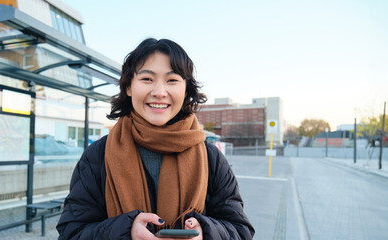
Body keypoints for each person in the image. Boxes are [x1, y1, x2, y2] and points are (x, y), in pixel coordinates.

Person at [56, 38, 254, 239]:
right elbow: (71, 232)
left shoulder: (211, 157)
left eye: (172, 80)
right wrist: (126, 231)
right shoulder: (98, 155)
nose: (159, 92)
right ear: (128, 87)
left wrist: (205, 232)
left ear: (186, 90)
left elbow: (240, 230)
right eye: (147, 79)